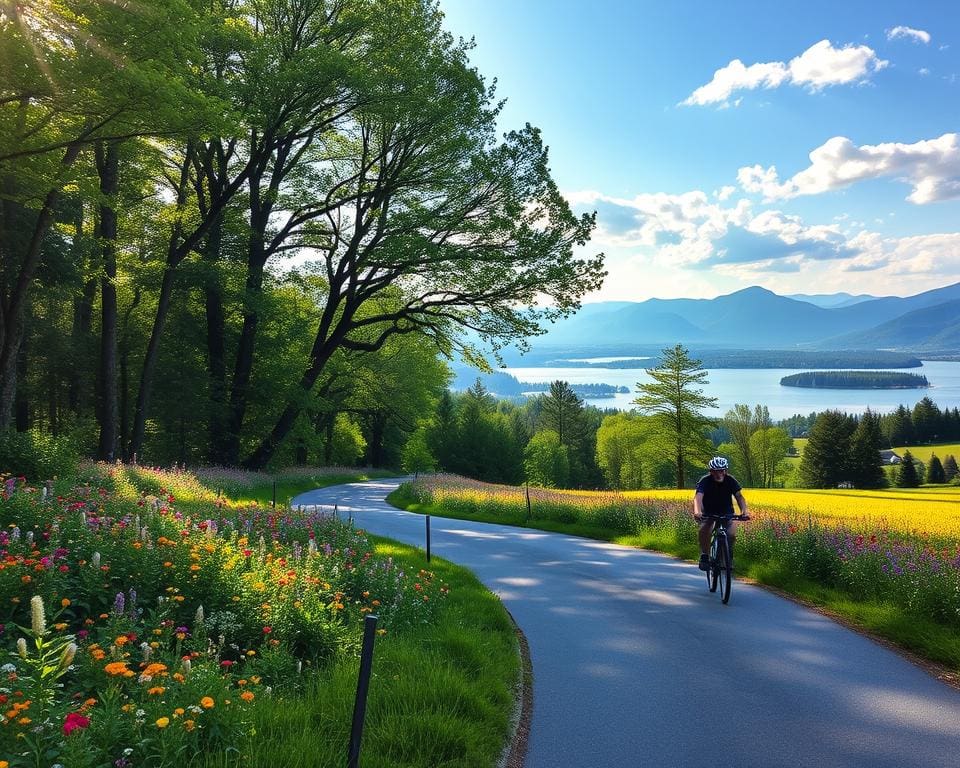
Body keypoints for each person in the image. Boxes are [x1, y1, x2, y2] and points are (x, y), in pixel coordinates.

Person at [693, 456, 749, 571]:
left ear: (726, 471)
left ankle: (726, 558)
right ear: (711, 472)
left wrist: (744, 511)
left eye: (722, 471)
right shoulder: (705, 481)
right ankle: (705, 555)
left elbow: (739, 497)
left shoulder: (731, 480)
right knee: (704, 529)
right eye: (715, 471)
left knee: (731, 534)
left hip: (727, 513)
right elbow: (698, 497)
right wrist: (697, 511)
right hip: (709, 512)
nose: (719, 474)